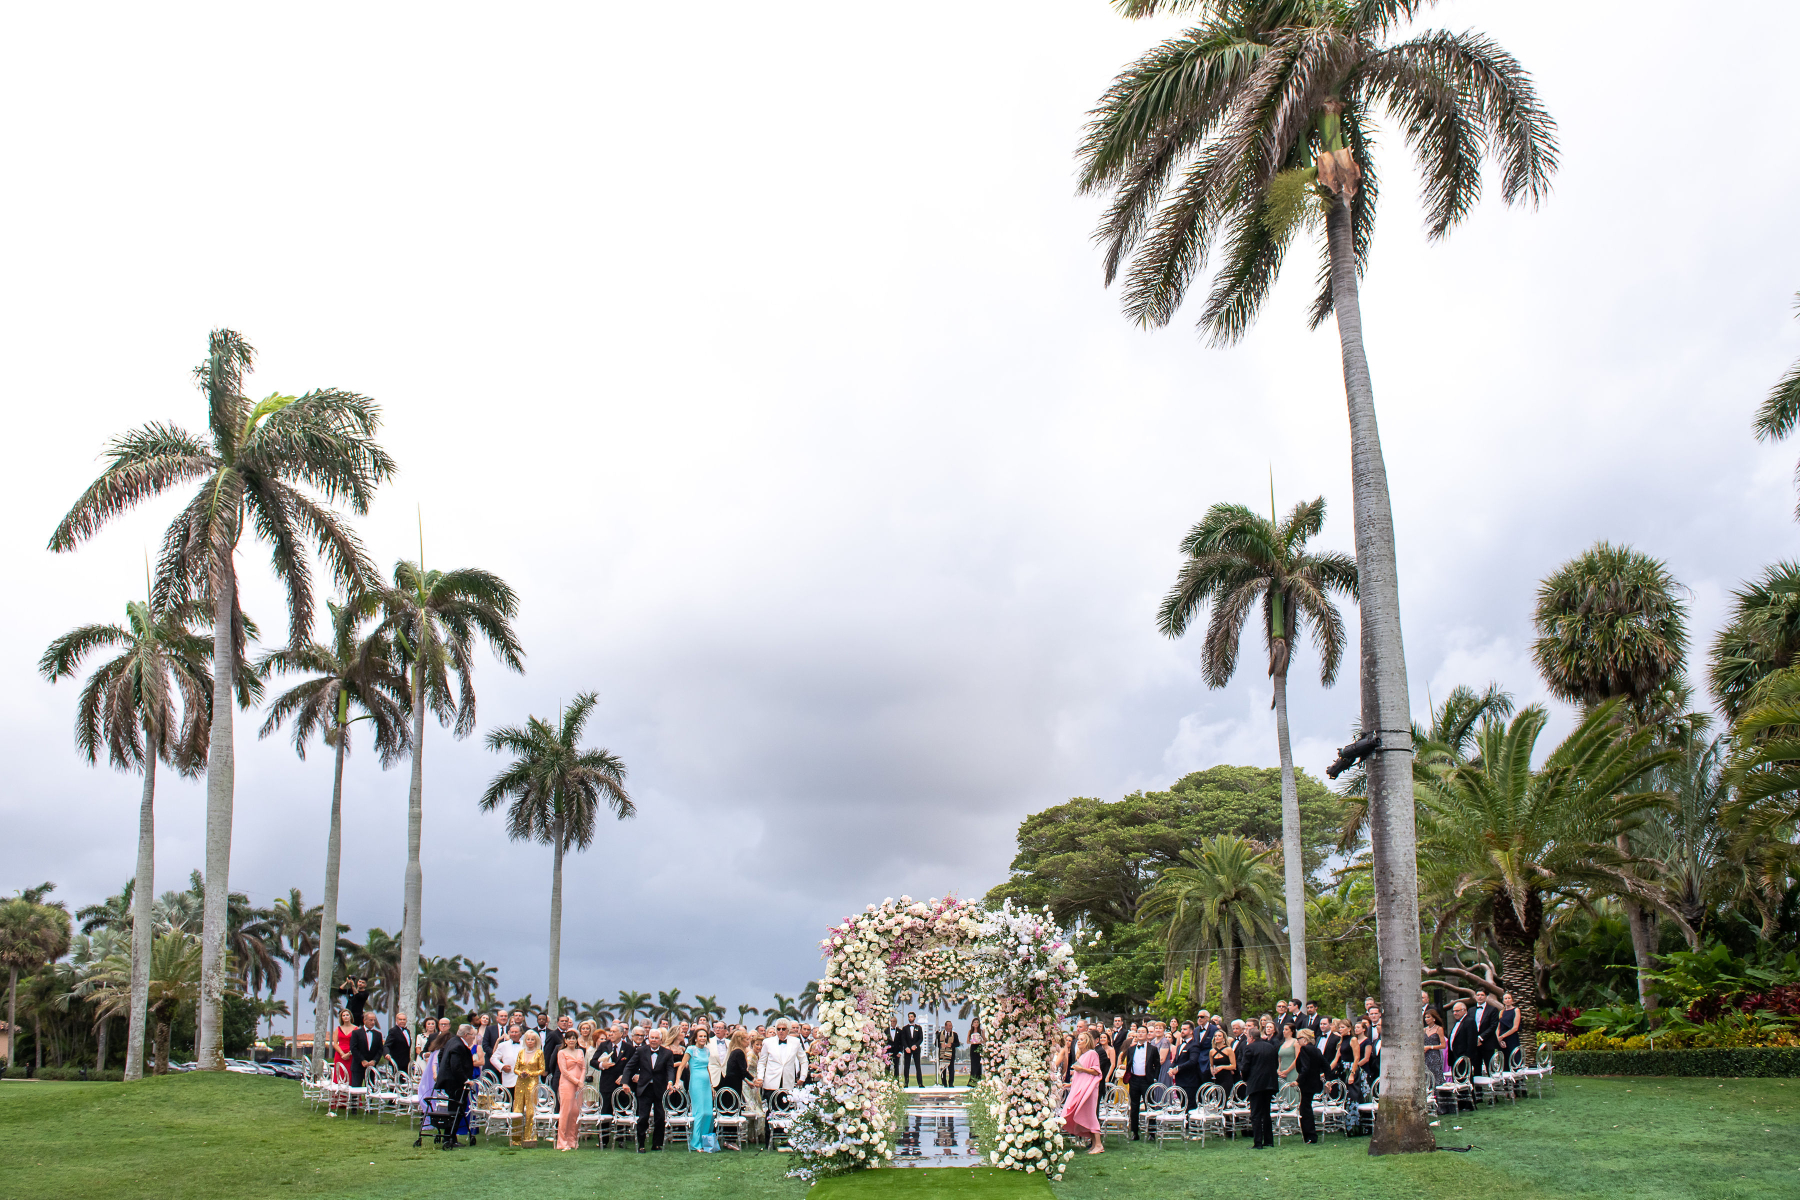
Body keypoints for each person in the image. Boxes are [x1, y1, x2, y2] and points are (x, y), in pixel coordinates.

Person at [628, 1029, 679, 1151]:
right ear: (648, 1038)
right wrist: (625, 1082)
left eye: (656, 1038)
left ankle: (657, 1144)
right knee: (643, 1117)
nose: (654, 1040)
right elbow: (629, 1066)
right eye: (652, 1038)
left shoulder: (667, 1053)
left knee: (660, 1117)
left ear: (660, 1040)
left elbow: (670, 1069)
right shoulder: (641, 1051)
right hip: (645, 1089)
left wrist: (670, 1082)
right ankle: (641, 1144)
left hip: (660, 1088)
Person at [1059, 1029, 1105, 1155]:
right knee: (1085, 1114)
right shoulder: (1082, 1055)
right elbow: (1080, 1075)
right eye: (1078, 1039)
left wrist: (1081, 1069)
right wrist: (1070, 1083)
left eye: (1082, 1040)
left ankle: (1099, 1144)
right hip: (1080, 1088)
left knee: (1091, 1115)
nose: (1078, 1042)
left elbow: (1096, 1071)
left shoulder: (1092, 1053)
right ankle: (1094, 1144)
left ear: (1087, 1042)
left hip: (1089, 1089)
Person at [436, 1024, 478, 1150]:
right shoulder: (458, 1045)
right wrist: (466, 1080)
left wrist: (444, 1069)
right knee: (456, 1110)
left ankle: (450, 1136)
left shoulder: (451, 1041)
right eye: (472, 1035)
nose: (473, 1038)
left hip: (451, 1081)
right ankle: (450, 1137)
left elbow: (440, 1055)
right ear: (466, 1035)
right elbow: (456, 1066)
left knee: (454, 1109)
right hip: (455, 1083)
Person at [678, 1029, 720, 1152]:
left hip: (706, 1083)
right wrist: (677, 1081)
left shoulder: (707, 1051)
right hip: (696, 1083)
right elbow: (681, 1066)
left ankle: (706, 1142)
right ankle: (695, 1143)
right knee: (699, 1113)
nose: (702, 1038)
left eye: (704, 1036)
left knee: (708, 1113)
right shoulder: (691, 1049)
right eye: (700, 1036)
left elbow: (707, 1068)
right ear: (696, 1038)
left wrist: (711, 1085)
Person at [756, 1020, 810, 1113]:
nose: (781, 1031)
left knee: (787, 1111)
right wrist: (760, 1078)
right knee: (770, 1111)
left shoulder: (796, 1042)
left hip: (788, 1083)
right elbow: (762, 1062)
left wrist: (803, 1077)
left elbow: (804, 1060)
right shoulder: (767, 1042)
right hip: (771, 1083)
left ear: (788, 1030)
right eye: (778, 1029)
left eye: (783, 1029)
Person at [1240, 1025, 1279, 1150]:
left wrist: (1245, 1078)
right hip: (1269, 1083)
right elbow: (1275, 1064)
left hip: (1256, 1083)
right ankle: (1269, 1140)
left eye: (1247, 1037)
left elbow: (1245, 1066)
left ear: (1251, 1037)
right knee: (1266, 1112)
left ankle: (1258, 1142)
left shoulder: (1249, 1048)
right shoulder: (1270, 1047)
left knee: (1256, 1113)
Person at [1123, 1026, 1160, 1140]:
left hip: (1146, 1080)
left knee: (1150, 1105)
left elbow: (1157, 1065)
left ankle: (1152, 1133)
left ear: (1147, 1034)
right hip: (1134, 1080)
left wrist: (1155, 1078)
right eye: (1138, 1032)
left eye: (1143, 1032)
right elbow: (1129, 1063)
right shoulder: (1131, 1049)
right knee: (1134, 1106)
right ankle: (1134, 1132)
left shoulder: (1153, 1049)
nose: (1140, 1034)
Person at [555, 1029, 587, 1151]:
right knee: (566, 1112)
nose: (572, 1040)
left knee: (575, 1111)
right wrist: (576, 1081)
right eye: (569, 1038)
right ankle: (562, 1141)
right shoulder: (562, 1052)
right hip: (567, 1084)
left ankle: (572, 1140)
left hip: (579, 1084)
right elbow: (564, 1071)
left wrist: (581, 1081)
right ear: (565, 1040)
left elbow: (583, 1068)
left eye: (574, 1038)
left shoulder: (580, 1051)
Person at [512, 1031, 545, 1147]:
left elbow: (542, 1069)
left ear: (536, 1041)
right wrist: (520, 1073)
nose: (530, 1041)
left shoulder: (539, 1053)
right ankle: (516, 1138)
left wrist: (530, 1073)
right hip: (520, 1082)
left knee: (531, 1110)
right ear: (525, 1040)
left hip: (532, 1082)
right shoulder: (521, 1052)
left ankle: (529, 1138)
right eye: (528, 1039)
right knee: (517, 1109)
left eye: (532, 1039)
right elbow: (515, 1068)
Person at [1294, 1028, 1326, 1144]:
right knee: (1307, 1107)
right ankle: (1310, 1134)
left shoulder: (1304, 1049)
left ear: (1305, 1039)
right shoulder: (1316, 1050)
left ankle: (1310, 1135)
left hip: (1306, 1083)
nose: (1297, 1041)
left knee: (1305, 1108)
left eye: (1299, 1038)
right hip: (1314, 1082)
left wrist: (1298, 1081)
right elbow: (1325, 1065)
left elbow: (1305, 1067)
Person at [351, 1012, 385, 1086]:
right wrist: (362, 1060)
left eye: (374, 1020)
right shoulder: (356, 1033)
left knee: (371, 1089)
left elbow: (380, 1050)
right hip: (358, 1067)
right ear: (364, 1020)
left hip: (371, 1067)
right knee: (356, 1089)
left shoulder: (378, 1034)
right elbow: (353, 1048)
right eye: (370, 1020)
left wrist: (374, 1061)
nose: (373, 1022)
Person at [1446, 1001, 1478, 1073]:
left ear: (1464, 1010)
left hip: (1463, 1058)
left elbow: (1471, 1042)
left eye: (1457, 1011)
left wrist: (1467, 1058)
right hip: (1454, 1056)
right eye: (1453, 1011)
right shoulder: (1457, 1022)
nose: (1455, 1013)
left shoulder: (1469, 1021)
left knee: (1464, 1078)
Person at [1208, 1032, 1237, 1109]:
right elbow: (1211, 1065)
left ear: (1224, 1038)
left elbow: (1233, 1066)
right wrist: (1212, 1071)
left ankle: (1224, 1114)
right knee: (1217, 1098)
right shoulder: (1212, 1051)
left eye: (1219, 1036)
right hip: (1217, 1078)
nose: (1217, 1037)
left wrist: (1222, 1067)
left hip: (1226, 1077)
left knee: (1223, 1098)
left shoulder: (1228, 1049)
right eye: (1215, 1036)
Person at [331, 1009, 355, 1095]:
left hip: (351, 1055)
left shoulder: (356, 1029)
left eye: (347, 1015)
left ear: (350, 1016)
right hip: (340, 1055)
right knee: (339, 1076)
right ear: (341, 1018)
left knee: (350, 1076)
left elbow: (358, 1044)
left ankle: (349, 1098)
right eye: (343, 1015)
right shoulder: (338, 1029)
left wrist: (349, 1053)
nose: (345, 1017)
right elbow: (334, 1043)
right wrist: (342, 1054)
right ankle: (338, 1099)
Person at [898, 1012, 924, 1087]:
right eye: (909, 1017)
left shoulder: (919, 1028)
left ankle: (920, 1083)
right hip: (907, 1050)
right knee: (906, 1066)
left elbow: (921, 1038)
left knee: (918, 1066)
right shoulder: (905, 1028)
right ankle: (906, 1082)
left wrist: (915, 1045)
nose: (910, 1018)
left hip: (916, 1049)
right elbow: (903, 1039)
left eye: (911, 1017)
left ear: (914, 1018)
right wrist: (906, 1047)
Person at [1422, 1008, 1448, 1081]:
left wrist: (1430, 1047)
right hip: (1425, 1055)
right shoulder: (1424, 1030)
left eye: (1428, 1017)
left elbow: (1443, 1045)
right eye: (1425, 1017)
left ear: (1434, 1018)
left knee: (1436, 1075)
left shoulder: (1439, 1029)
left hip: (1434, 1055)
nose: (1426, 1019)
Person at [937, 1020, 960, 1088]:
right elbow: (936, 1043)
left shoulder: (954, 1034)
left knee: (951, 1070)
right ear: (945, 1026)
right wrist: (941, 1045)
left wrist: (951, 1045)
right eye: (949, 1026)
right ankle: (944, 1083)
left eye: (951, 1026)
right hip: (942, 1055)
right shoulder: (940, 1034)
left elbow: (958, 1044)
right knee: (943, 1069)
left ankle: (951, 1083)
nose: (951, 1027)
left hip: (951, 1055)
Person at [1499, 992, 1522, 1060]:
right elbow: (1498, 1027)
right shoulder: (1501, 1012)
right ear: (1503, 1001)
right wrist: (1499, 1039)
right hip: (1502, 1039)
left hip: (1511, 1038)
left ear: (1512, 1000)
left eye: (1509, 998)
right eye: (1506, 998)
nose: (1507, 1000)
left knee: (1514, 1058)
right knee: (1503, 1059)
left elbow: (1515, 1027)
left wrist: (1502, 1036)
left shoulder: (1516, 1010)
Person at [967, 1017, 984, 1082]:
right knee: (973, 1064)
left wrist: (980, 1041)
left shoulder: (981, 1031)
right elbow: (967, 1041)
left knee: (978, 1063)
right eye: (975, 1022)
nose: (976, 1024)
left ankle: (978, 1079)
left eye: (977, 1022)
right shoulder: (970, 1031)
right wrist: (973, 1042)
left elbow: (984, 1040)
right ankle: (972, 1079)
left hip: (978, 1047)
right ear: (972, 1024)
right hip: (973, 1047)